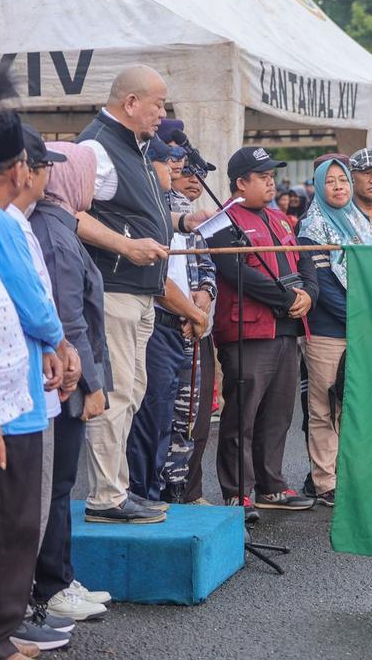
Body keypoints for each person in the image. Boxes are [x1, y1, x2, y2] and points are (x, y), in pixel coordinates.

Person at [74, 66, 211, 526]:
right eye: (158, 103)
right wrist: (125, 246)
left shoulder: (134, 147)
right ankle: (106, 498)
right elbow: (67, 212)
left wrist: (178, 224)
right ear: (131, 103)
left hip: (141, 294)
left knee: (131, 392)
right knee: (114, 395)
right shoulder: (96, 147)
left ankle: (119, 490)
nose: (163, 113)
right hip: (113, 290)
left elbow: (132, 214)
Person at [0, 114, 72, 657]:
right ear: (20, 170)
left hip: (13, 393)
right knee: (6, 525)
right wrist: (59, 340)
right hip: (2, 402)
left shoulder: (2, 216)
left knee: (11, 524)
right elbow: (26, 296)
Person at [208, 147, 318, 521]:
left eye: (273, 174)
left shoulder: (281, 219)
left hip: (287, 330)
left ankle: (271, 486)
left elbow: (303, 260)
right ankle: (237, 492)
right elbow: (234, 271)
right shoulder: (222, 220)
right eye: (263, 176)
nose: (271, 181)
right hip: (248, 332)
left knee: (278, 415)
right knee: (243, 415)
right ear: (241, 182)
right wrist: (288, 296)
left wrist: (308, 294)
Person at [28, 141, 113, 622]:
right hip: (65, 379)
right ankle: (52, 586)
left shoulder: (58, 225)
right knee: (57, 485)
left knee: (57, 485)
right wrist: (92, 384)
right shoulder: (54, 231)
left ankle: (58, 577)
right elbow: (69, 319)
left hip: (65, 375)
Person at [126, 139, 211, 505]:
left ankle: (172, 490)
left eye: (178, 161)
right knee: (153, 415)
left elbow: (204, 265)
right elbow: (157, 276)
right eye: (169, 161)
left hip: (188, 325)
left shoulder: (177, 209)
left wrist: (201, 306)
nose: (177, 168)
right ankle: (144, 492)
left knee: (185, 417)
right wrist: (193, 313)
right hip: (161, 320)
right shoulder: (143, 207)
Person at [299, 159, 372, 507]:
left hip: (361, 330)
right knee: (324, 407)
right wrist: (362, 318)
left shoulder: (359, 224)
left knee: (354, 406)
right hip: (328, 331)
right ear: (318, 186)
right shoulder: (311, 228)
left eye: (342, 180)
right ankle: (325, 481)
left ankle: (350, 475)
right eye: (329, 182)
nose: (339, 187)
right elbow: (324, 288)